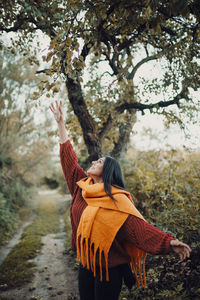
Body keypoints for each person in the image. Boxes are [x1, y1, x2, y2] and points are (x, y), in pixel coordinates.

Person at [50, 101, 191, 300]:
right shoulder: (81, 186)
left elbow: (139, 230)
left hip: (110, 269)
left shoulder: (118, 200)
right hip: (86, 263)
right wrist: (60, 123)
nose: (93, 162)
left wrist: (169, 242)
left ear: (107, 171)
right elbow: (68, 159)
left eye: (99, 162)